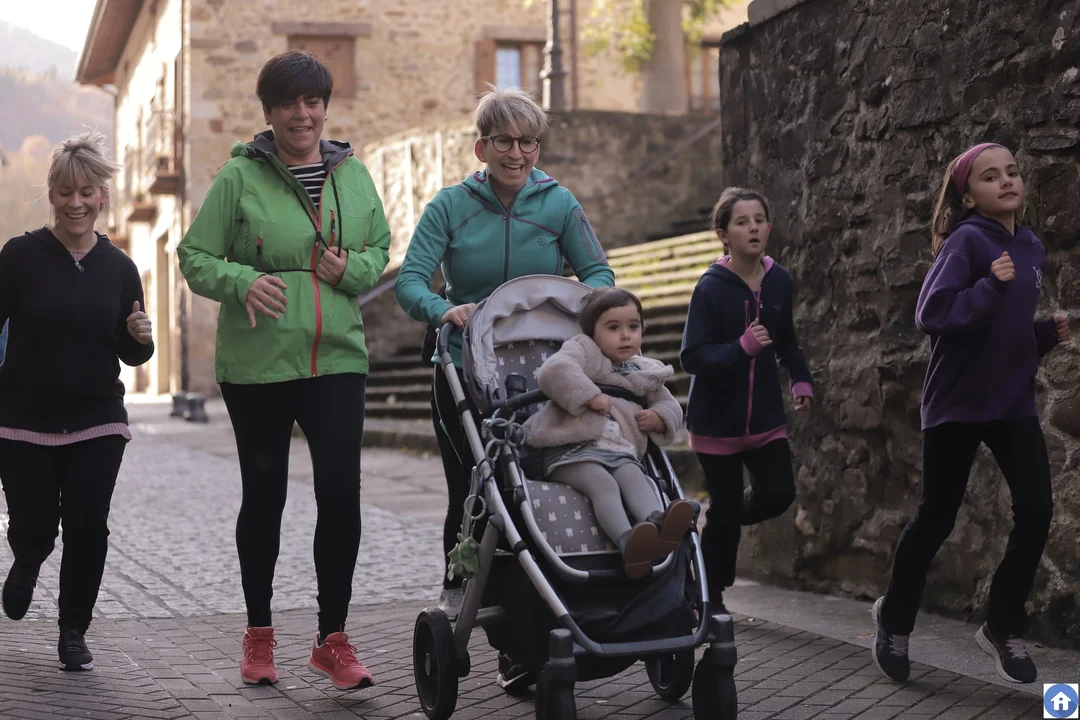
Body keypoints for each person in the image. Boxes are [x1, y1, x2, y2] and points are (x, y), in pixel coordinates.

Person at [177, 51, 391, 690]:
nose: (303, 114)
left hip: (337, 359)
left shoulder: (354, 175)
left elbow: (379, 249)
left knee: (341, 494)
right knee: (264, 496)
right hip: (259, 365)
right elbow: (194, 256)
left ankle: (333, 639)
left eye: (313, 102)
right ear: (269, 112)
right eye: (289, 104)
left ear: (325, 107)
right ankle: (259, 633)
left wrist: (349, 270)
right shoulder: (238, 176)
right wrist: (242, 281)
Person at [394, 85, 614, 690]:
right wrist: (444, 309)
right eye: (504, 141)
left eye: (528, 142)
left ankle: (539, 615)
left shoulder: (559, 202)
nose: (517, 153)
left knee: (540, 487)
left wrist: (586, 305)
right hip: (467, 370)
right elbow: (410, 282)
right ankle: (462, 596)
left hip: (546, 370)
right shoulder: (450, 207)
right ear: (481, 147)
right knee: (472, 491)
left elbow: (598, 271)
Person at [871, 143, 1069, 685]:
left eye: (1012, 172)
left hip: (1011, 402)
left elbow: (1003, 332)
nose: (1006, 181)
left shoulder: (1030, 246)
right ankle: (894, 621)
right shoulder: (966, 240)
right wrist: (988, 285)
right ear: (969, 196)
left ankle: (1001, 624)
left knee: (1036, 510)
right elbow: (932, 314)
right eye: (990, 176)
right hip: (957, 402)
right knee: (937, 517)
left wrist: (1042, 336)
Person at [0, 131, 154, 671]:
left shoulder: (120, 267)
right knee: (35, 526)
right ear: (52, 194)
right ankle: (27, 560)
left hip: (97, 418)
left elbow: (133, 352)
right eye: (65, 192)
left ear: (102, 196)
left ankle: (73, 631)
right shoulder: (18, 257)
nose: (75, 203)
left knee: (89, 525)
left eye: (86, 192)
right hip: (23, 420)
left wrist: (140, 337)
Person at [680, 187, 814, 613]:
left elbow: (786, 339)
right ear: (723, 234)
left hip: (765, 420)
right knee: (723, 511)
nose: (753, 227)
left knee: (777, 494)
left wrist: (801, 379)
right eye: (742, 222)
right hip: (716, 423)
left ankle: (719, 523)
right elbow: (692, 356)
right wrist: (742, 348)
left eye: (759, 220)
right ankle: (711, 597)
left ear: (768, 228)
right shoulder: (709, 289)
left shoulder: (780, 280)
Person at [523, 287, 692, 579]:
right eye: (613, 328)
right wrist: (588, 395)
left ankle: (658, 525)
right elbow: (554, 370)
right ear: (592, 333)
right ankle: (628, 541)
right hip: (570, 451)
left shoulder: (643, 372)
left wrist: (659, 418)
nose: (625, 335)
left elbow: (670, 405)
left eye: (633, 327)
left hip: (618, 452)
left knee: (635, 476)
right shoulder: (583, 351)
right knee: (603, 485)